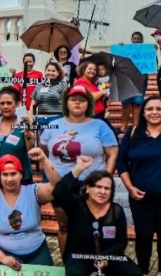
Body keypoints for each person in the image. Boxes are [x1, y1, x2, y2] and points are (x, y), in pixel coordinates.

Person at [39, 85, 119, 258]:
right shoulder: (53, 125)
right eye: (73, 99)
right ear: (66, 102)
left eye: (82, 99)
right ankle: (69, 267)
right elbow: (42, 153)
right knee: (64, 225)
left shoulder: (100, 125)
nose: (77, 102)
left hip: (90, 184)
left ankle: (96, 264)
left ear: (88, 104)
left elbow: (112, 154)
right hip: (60, 184)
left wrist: (105, 179)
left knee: (92, 226)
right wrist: (29, 138)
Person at [53, 165, 144, 276]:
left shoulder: (116, 211)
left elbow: (121, 242)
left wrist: (105, 257)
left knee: (135, 275)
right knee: (74, 275)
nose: (102, 191)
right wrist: (78, 169)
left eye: (107, 188)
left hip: (107, 256)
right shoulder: (76, 204)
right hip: (80, 255)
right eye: (98, 187)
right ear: (88, 188)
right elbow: (58, 192)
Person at [117, 96, 161, 276]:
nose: (154, 112)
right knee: (143, 234)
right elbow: (121, 163)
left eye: (159, 109)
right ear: (143, 112)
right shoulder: (133, 132)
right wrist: (129, 187)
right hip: (139, 194)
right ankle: (142, 271)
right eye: (150, 109)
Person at [0, 154, 61, 270]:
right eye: (5, 174)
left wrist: (44, 160)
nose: (9, 179)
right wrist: (2, 257)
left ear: (21, 174)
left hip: (37, 250)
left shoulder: (33, 192)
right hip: (3, 252)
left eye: (13, 173)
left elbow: (58, 188)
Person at [119, 32, 147, 129]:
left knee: (137, 103)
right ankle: (124, 125)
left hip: (140, 80)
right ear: (131, 40)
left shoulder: (146, 52)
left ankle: (136, 125)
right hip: (126, 80)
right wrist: (119, 49)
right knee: (126, 103)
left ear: (142, 40)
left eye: (139, 38)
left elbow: (153, 64)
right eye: (135, 38)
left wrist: (153, 51)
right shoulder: (125, 51)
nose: (136, 40)